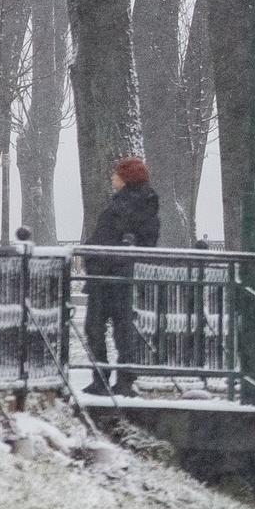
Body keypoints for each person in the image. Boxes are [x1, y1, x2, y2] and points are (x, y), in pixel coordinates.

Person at [81, 156, 159, 397]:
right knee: (118, 328)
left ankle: (106, 378)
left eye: (117, 174)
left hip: (111, 274)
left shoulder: (129, 205)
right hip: (111, 273)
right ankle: (121, 379)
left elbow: (126, 237)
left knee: (101, 327)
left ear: (126, 179)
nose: (113, 177)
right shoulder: (137, 203)